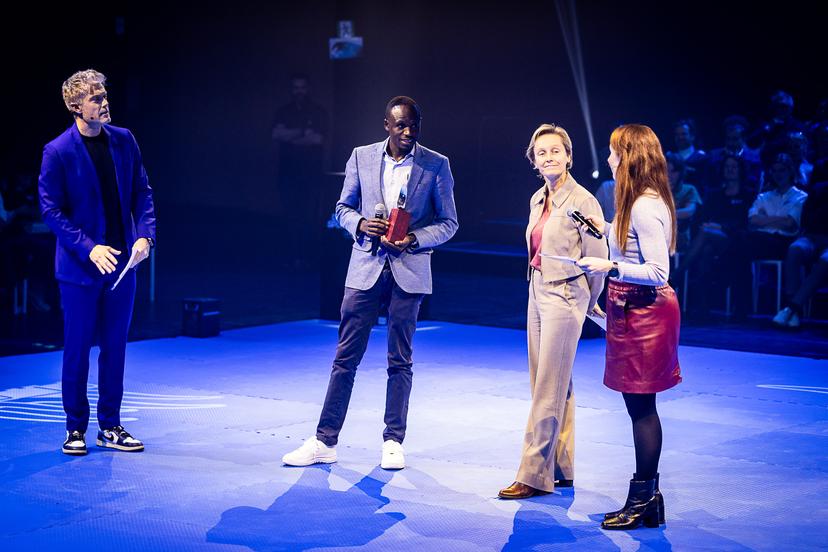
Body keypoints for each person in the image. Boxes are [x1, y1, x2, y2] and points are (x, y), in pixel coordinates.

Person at [282, 96, 458, 470]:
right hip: (365, 267)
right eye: (400, 126)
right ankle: (324, 440)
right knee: (345, 358)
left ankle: (394, 441)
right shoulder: (361, 156)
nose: (408, 132)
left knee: (400, 361)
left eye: (414, 125)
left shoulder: (436, 164)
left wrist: (414, 238)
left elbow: (449, 223)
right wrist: (361, 225)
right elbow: (342, 208)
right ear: (386, 126)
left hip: (408, 270)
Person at [38, 69, 156, 455]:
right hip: (81, 269)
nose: (104, 104)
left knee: (115, 348)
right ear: (75, 106)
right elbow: (51, 210)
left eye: (104, 96)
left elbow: (142, 190)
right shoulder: (58, 150)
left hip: (122, 265)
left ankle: (111, 425)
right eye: (95, 99)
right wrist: (89, 247)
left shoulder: (124, 140)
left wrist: (144, 235)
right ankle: (75, 429)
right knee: (76, 349)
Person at [578, 124, 681, 530]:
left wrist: (611, 265)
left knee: (642, 408)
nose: (608, 160)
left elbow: (658, 270)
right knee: (637, 406)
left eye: (613, 152)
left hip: (647, 311)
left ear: (629, 156)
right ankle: (648, 501)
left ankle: (642, 499)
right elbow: (631, 244)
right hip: (631, 306)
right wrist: (600, 229)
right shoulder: (636, 202)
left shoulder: (644, 205)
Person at [497, 124, 607, 499]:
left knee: (548, 385)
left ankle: (533, 474)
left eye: (555, 151)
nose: (549, 158)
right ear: (534, 161)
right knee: (552, 382)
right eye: (542, 153)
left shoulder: (583, 201)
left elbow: (598, 258)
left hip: (566, 296)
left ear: (569, 156)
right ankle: (561, 466)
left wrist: (588, 303)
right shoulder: (536, 199)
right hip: (537, 289)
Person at [773, 181, 828, 328]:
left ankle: (791, 308)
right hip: (812, 237)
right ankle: (794, 312)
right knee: (795, 249)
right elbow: (806, 219)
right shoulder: (819, 190)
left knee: (825, 260)